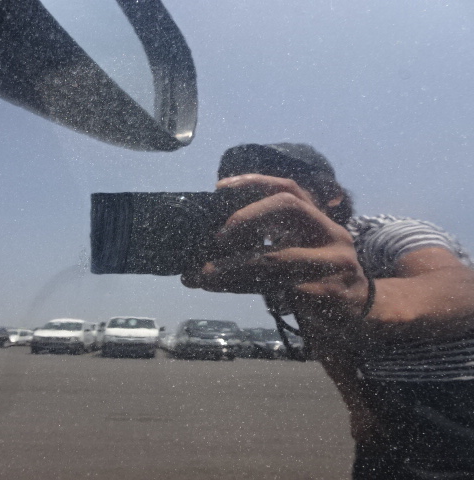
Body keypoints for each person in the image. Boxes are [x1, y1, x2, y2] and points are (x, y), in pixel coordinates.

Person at [181, 143, 474, 479]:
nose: (258, 206)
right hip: (381, 394)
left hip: (458, 394)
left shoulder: (385, 233)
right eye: (241, 196)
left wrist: (364, 298)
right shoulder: (295, 263)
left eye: (271, 190)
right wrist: (357, 406)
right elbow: (325, 339)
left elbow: (461, 287)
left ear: (332, 195)